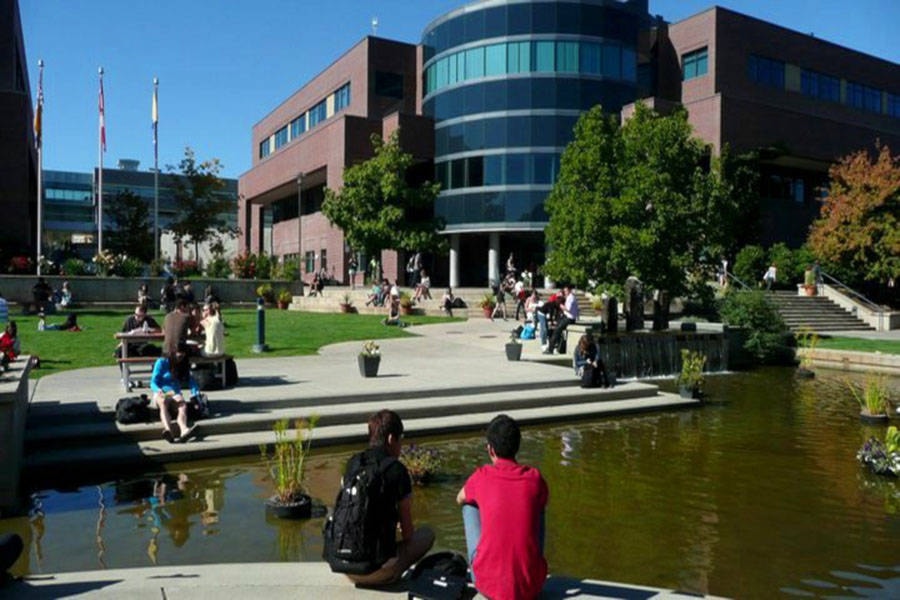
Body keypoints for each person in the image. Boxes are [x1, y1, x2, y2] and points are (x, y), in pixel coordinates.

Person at [457, 414, 548, 600]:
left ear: (490, 449)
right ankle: (530, 564)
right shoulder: (534, 478)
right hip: (531, 586)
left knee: (469, 505)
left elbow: (459, 498)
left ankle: (483, 564)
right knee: (539, 505)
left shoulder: (482, 476)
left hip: (488, 584)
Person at [341, 410, 434, 586]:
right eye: (401, 439)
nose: (401, 445)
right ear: (391, 439)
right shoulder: (397, 470)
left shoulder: (353, 463)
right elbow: (407, 535)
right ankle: (389, 573)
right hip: (376, 571)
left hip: (344, 567)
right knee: (427, 535)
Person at [150, 352, 199, 443]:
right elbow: (153, 382)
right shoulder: (161, 362)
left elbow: (192, 382)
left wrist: (194, 394)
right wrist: (158, 390)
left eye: (182, 355)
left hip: (175, 393)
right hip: (161, 393)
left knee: (182, 405)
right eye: (178, 353)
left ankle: (184, 429)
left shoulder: (183, 364)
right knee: (163, 402)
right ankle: (168, 430)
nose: (180, 356)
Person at [545, 285, 578, 355]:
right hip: (567, 317)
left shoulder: (571, 298)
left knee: (557, 330)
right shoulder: (570, 297)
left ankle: (551, 349)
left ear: (569, 290)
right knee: (556, 329)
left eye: (566, 291)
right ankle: (555, 347)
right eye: (564, 291)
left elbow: (568, 309)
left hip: (569, 318)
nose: (565, 292)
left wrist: (561, 306)